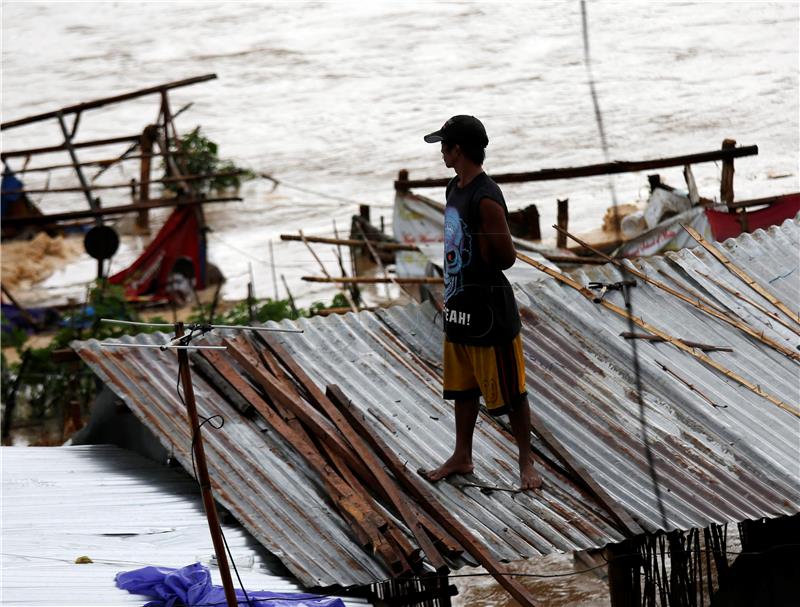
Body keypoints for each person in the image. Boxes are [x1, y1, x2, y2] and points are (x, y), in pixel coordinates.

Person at [420, 115, 542, 490]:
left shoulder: (485, 197)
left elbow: (506, 257)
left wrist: (479, 259)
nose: (441, 151)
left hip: (490, 309)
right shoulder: (454, 188)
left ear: (459, 150)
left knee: (511, 391)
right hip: (459, 302)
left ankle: (526, 463)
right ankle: (462, 455)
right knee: (463, 387)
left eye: (445, 145)